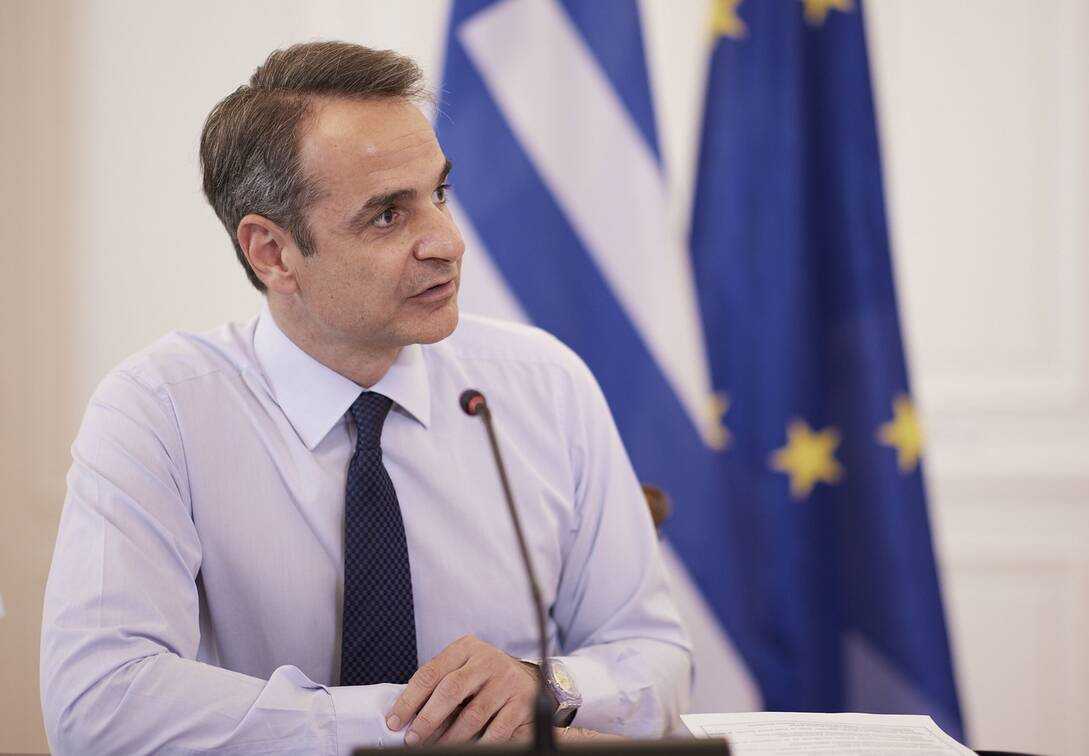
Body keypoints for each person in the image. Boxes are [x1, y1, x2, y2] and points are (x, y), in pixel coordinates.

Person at [40, 41, 691, 755]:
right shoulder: (160, 410)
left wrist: (547, 686)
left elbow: (655, 656)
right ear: (272, 252)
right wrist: (414, 725)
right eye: (387, 216)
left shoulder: (544, 384)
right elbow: (97, 706)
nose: (447, 242)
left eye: (438, 194)